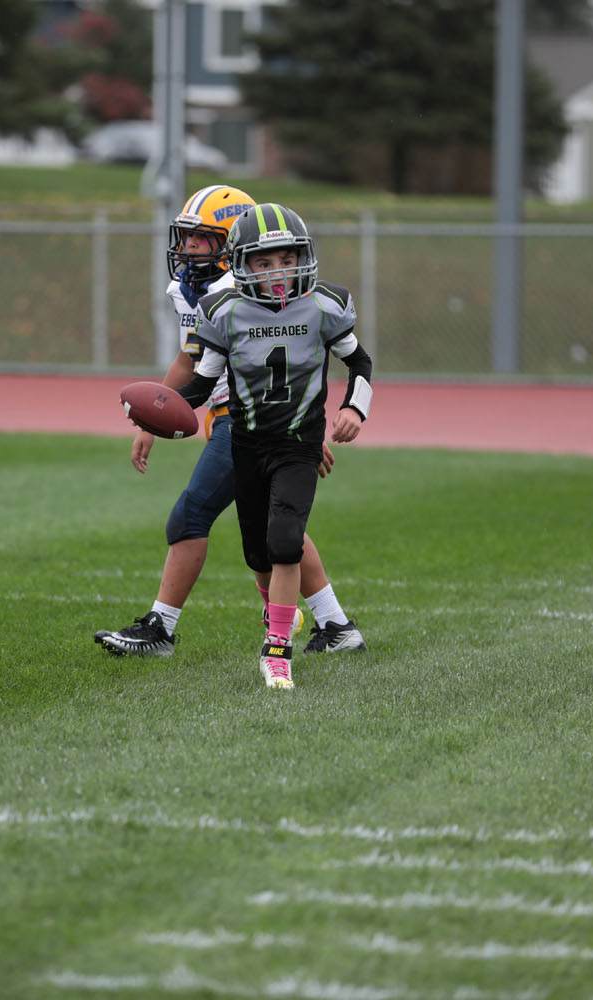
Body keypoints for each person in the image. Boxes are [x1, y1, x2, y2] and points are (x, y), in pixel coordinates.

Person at [94, 185, 366, 658]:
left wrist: (300, 430)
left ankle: (162, 627)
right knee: (277, 528)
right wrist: (154, 416)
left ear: (231, 245)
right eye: (187, 237)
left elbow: (310, 361)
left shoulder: (250, 292)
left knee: (194, 514)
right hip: (233, 418)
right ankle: (335, 624)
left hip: (244, 421)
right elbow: (188, 360)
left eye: (203, 239)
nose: (189, 248)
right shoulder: (199, 293)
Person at [172, 203, 372, 689]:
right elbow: (201, 386)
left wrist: (353, 409)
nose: (278, 271)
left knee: (285, 541)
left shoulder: (325, 305)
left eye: (286, 258)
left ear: (302, 256)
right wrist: (163, 408)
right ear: (242, 265)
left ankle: (277, 650)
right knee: (258, 554)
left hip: (299, 444)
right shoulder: (224, 313)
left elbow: (360, 363)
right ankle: (281, 616)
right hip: (247, 442)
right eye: (263, 263)